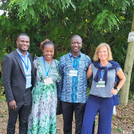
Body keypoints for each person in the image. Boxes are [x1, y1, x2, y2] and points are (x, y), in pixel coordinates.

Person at [81, 43, 126, 134]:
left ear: (108, 53)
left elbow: (123, 78)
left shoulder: (115, 66)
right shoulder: (93, 65)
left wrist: (117, 89)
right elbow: (84, 78)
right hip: (93, 99)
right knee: (86, 124)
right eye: (100, 52)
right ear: (97, 54)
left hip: (107, 100)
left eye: (104, 51)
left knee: (104, 128)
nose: (102, 54)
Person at [2, 33, 35, 134]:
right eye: (22, 41)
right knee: (12, 122)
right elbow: (6, 80)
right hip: (15, 96)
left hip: (28, 94)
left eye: (27, 41)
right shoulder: (10, 58)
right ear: (17, 42)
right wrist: (10, 99)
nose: (25, 43)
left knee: (24, 122)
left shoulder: (30, 56)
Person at [59, 35, 92, 134]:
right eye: (74, 42)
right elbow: (60, 78)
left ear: (81, 44)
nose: (76, 45)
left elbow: (90, 76)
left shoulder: (87, 59)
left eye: (78, 43)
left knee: (80, 124)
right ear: (70, 43)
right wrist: (59, 95)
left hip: (80, 97)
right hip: (66, 97)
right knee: (67, 124)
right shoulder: (63, 59)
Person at [27, 39, 61, 134]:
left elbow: (59, 77)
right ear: (43, 50)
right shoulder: (36, 62)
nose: (49, 53)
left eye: (51, 51)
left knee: (48, 116)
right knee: (36, 115)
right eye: (47, 51)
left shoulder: (57, 63)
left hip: (51, 96)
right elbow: (33, 76)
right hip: (38, 95)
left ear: (54, 51)